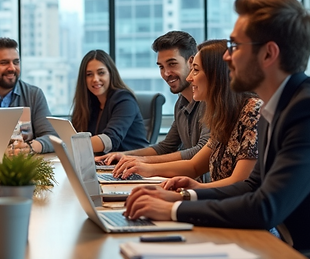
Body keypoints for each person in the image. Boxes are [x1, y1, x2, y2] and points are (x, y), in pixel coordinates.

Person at [124, 0, 310, 257]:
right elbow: (252, 185)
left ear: (269, 54)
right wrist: (190, 193)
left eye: (235, 46)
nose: (226, 56)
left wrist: (174, 209)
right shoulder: (278, 107)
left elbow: (266, 208)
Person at [112, 40, 262, 190]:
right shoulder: (223, 115)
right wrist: (146, 168)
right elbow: (194, 165)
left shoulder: (252, 111)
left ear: (216, 75)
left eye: (195, 70)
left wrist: (193, 192)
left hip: (235, 208)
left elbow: (241, 183)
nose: (190, 78)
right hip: (218, 202)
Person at [97, 31, 210, 168]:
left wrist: (143, 162)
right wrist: (125, 156)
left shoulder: (208, 101)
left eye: (172, 64)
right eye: (161, 67)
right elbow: (166, 147)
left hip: (204, 186)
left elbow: (201, 150)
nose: (166, 73)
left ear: (191, 62)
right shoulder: (181, 103)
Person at [70, 50, 148, 154]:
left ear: (111, 74)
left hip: (132, 165)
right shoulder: (90, 103)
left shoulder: (124, 100)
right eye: (89, 74)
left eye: (101, 73)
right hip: (102, 165)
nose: (95, 79)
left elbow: (110, 140)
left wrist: (70, 145)